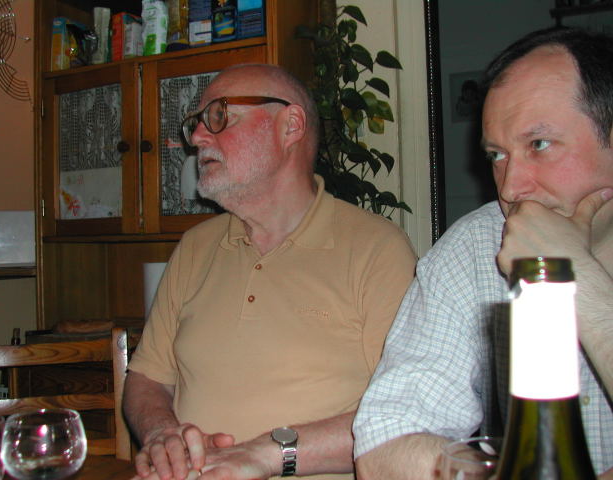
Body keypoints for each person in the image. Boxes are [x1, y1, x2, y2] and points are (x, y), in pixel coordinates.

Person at [123, 63, 417, 480]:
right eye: (197, 123)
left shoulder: (377, 250)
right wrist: (161, 435)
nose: (198, 137)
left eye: (219, 115)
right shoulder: (195, 248)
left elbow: (408, 414)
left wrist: (263, 455)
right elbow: (147, 379)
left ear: (290, 125)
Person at [353, 26, 613, 479]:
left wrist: (578, 277)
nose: (510, 188)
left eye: (539, 145)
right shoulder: (475, 246)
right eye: (497, 155)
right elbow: (383, 445)